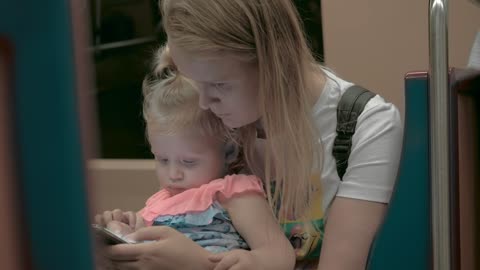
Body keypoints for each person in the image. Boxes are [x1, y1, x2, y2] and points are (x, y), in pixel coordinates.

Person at [103, 0, 403, 269]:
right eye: (196, 82)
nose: (205, 102)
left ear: (272, 62)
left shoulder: (364, 124)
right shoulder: (213, 112)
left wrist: (200, 264)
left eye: (220, 85)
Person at [96, 45, 295, 270]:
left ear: (229, 152)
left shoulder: (231, 193)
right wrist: (120, 228)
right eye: (162, 159)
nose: (173, 174)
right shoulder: (159, 203)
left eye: (188, 161)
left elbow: (280, 254)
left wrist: (254, 261)